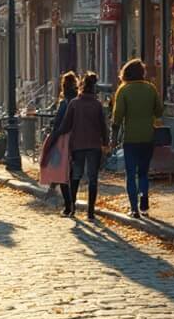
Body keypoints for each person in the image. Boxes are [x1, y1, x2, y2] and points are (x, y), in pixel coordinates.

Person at [110, 58, 163, 218]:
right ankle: (144, 198)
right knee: (144, 173)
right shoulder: (150, 89)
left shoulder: (123, 90)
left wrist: (113, 137)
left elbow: (117, 116)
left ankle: (134, 208)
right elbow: (159, 111)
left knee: (131, 173)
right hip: (148, 136)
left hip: (130, 138)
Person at [54, 72, 110, 220]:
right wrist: (105, 142)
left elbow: (66, 125)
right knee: (93, 178)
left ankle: (72, 207)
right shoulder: (97, 105)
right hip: (94, 145)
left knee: (76, 176)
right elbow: (103, 126)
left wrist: (56, 136)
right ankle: (90, 212)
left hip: (77, 145)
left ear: (81, 86)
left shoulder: (74, 104)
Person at [45, 71, 79, 211]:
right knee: (74, 173)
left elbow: (58, 122)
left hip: (64, 140)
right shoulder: (78, 100)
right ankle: (73, 201)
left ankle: (68, 205)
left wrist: (53, 137)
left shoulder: (64, 103)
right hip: (78, 139)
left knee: (62, 173)